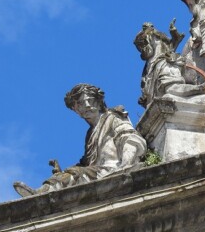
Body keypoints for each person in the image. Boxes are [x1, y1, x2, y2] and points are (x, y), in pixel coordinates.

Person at [13, 84, 146, 197]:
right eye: (81, 104)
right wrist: (61, 172)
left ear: (99, 102)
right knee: (69, 174)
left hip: (113, 168)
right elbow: (87, 163)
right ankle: (41, 193)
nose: (87, 106)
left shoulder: (113, 117)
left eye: (91, 100)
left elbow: (130, 138)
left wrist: (126, 165)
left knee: (75, 174)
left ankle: (41, 194)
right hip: (99, 172)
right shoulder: (90, 133)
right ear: (76, 110)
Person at [134, 22, 205, 107]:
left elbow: (172, 88)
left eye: (142, 46)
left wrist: (200, 89)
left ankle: (199, 88)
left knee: (170, 87)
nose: (142, 50)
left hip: (162, 65)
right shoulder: (149, 70)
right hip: (155, 68)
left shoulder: (165, 64)